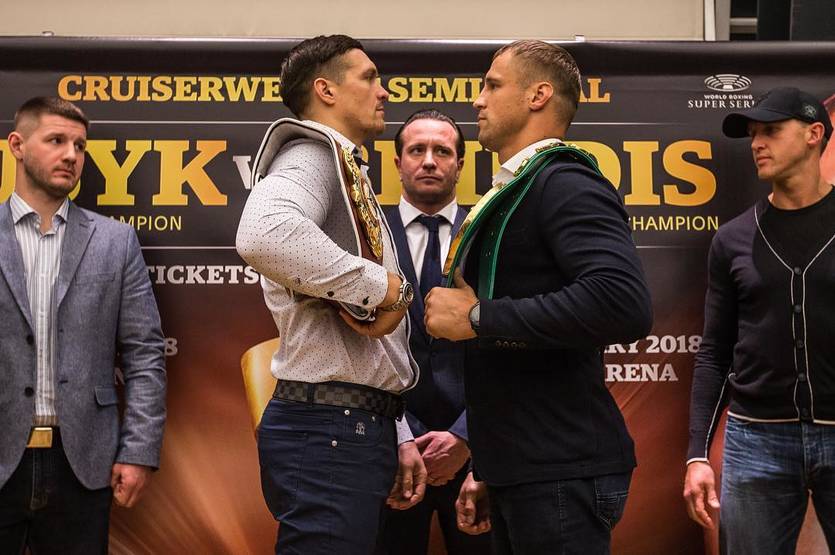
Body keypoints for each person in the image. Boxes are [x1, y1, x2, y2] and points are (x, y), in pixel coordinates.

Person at [423, 40, 653, 554]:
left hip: (559, 470)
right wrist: (492, 465)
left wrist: (479, 317)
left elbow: (622, 303)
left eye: (492, 85)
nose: (478, 100)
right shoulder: (521, 186)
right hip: (526, 467)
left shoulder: (565, 183)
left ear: (538, 95)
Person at [235, 35, 426, 554]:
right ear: (326, 90)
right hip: (331, 429)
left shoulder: (341, 165)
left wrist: (396, 429)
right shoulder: (312, 155)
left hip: (346, 424)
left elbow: (362, 355)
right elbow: (262, 234)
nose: (384, 92)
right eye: (369, 78)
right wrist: (382, 288)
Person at [0, 97, 166, 554]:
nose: (71, 155)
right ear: (17, 145)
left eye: (79, 145)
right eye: (56, 140)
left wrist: (139, 450)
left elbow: (145, 353)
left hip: (83, 464)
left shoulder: (115, 241)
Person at [683, 86, 835, 554]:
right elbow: (714, 352)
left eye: (771, 130)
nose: (757, 144)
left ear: (814, 134)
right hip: (756, 439)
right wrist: (696, 454)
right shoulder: (732, 239)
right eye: (753, 134)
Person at [375, 110, 490, 555]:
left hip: (480, 453)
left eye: (442, 151)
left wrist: (465, 436)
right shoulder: (369, 238)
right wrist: (402, 435)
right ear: (398, 162)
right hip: (391, 449)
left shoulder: (489, 236)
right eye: (416, 150)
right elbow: (360, 347)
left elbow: (506, 349)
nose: (428, 161)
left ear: (460, 164)